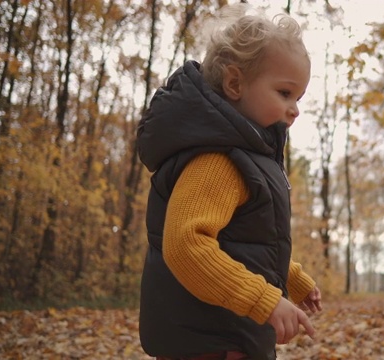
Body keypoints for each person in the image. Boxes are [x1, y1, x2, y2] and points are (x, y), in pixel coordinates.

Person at [136, 4, 322, 360]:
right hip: (208, 338)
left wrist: (293, 278)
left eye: (298, 97)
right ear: (235, 83)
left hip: (228, 331)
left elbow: (246, 244)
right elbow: (185, 245)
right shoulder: (217, 160)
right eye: (284, 93)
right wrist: (264, 300)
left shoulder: (248, 157)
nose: (294, 108)